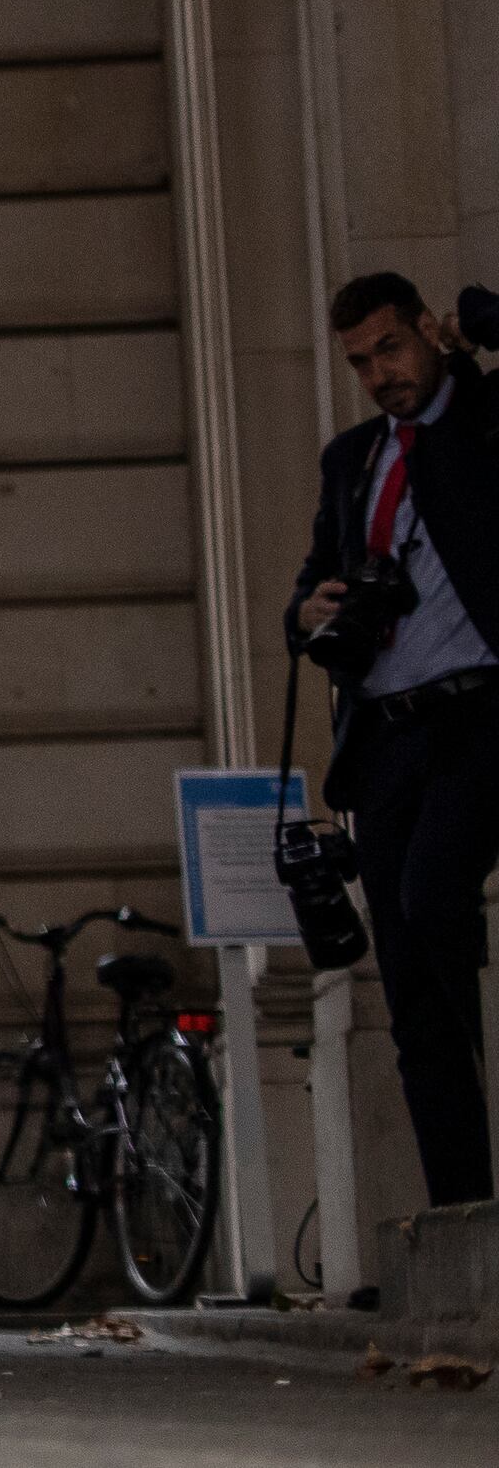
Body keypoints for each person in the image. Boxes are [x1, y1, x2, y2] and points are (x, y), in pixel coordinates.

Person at [288, 269, 499, 1208]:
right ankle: (462, 1207)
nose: (380, 374)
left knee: (430, 894)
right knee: (408, 987)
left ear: (426, 330)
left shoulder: (484, 420)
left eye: (392, 348)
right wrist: (310, 607)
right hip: (385, 737)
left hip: (480, 715)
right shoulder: (352, 460)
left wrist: (481, 327)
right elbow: (308, 584)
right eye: (361, 362)